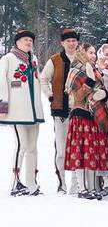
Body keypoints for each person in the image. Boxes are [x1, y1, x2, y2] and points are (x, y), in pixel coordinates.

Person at [64, 43, 108, 199]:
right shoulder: (75, 70)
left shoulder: (97, 71)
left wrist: (102, 94)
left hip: (94, 115)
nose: (93, 56)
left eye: (94, 54)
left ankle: (91, 188)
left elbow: (102, 89)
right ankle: (82, 188)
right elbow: (77, 96)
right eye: (90, 53)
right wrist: (89, 82)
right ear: (82, 52)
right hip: (80, 113)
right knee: (80, 151)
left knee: (91, 151)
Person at [0, 28, 45, 196]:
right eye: (25, 39)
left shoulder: (34, 60)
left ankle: (32, 183)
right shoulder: (8, 59)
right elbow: (1, 83)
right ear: (17, 42)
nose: (29, 42)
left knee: (33, 147)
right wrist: (2, 107)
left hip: (33, 110)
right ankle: (16, 182)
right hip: (17, 110)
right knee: (22, 145)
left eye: (30, 40)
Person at [39, 27, 79, 193]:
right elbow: (43, 79)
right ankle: (61, 182)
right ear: (62, 43)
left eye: (73, 40)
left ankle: (76, 184)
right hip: (60, 110)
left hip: (79, 110)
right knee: (61, 150)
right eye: (68, 41)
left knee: (78, 148)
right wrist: (50, 96)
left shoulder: (82, 59)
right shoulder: (55, 60)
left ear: (77, 42)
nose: (71, 43)